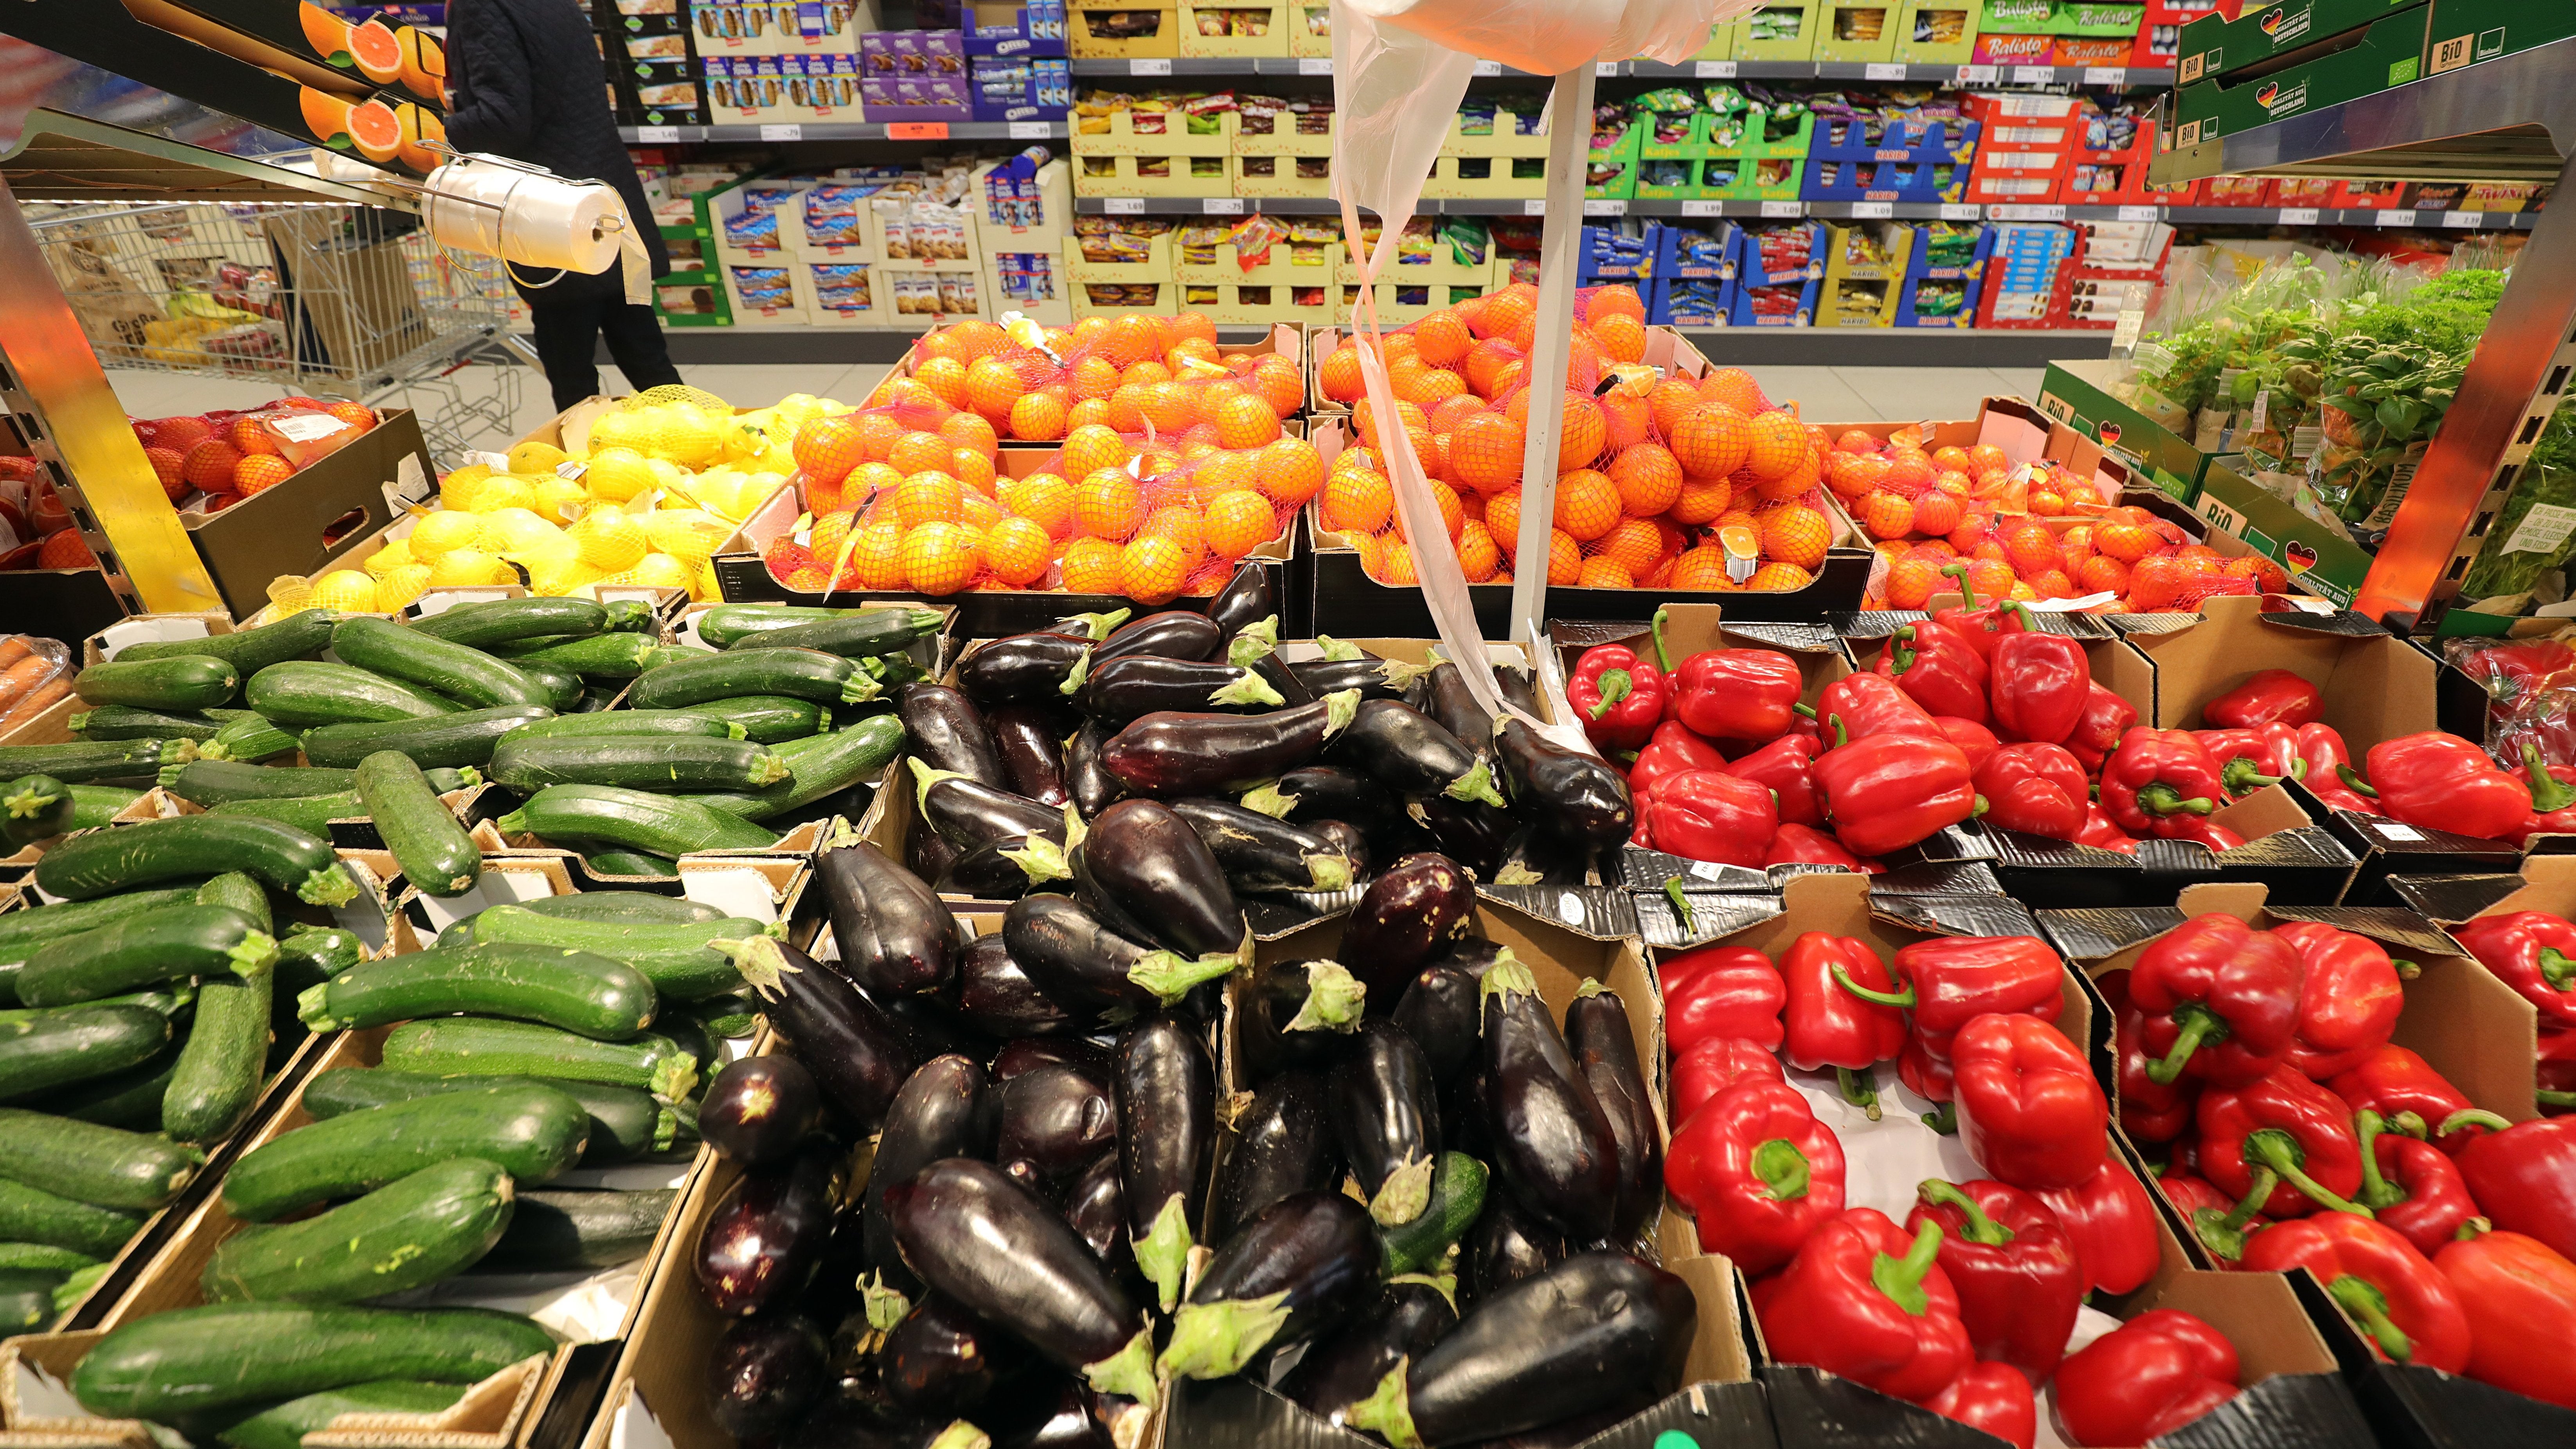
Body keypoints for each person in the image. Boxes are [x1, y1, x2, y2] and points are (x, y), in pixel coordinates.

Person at [443, 0, 687, 412]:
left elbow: (503, 120)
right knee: (650, 362)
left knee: (574, 383)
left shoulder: (479, 5)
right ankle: (704, 439)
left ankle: (590, 453)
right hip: (603, 200)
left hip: (553, 218)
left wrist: (425, 127)